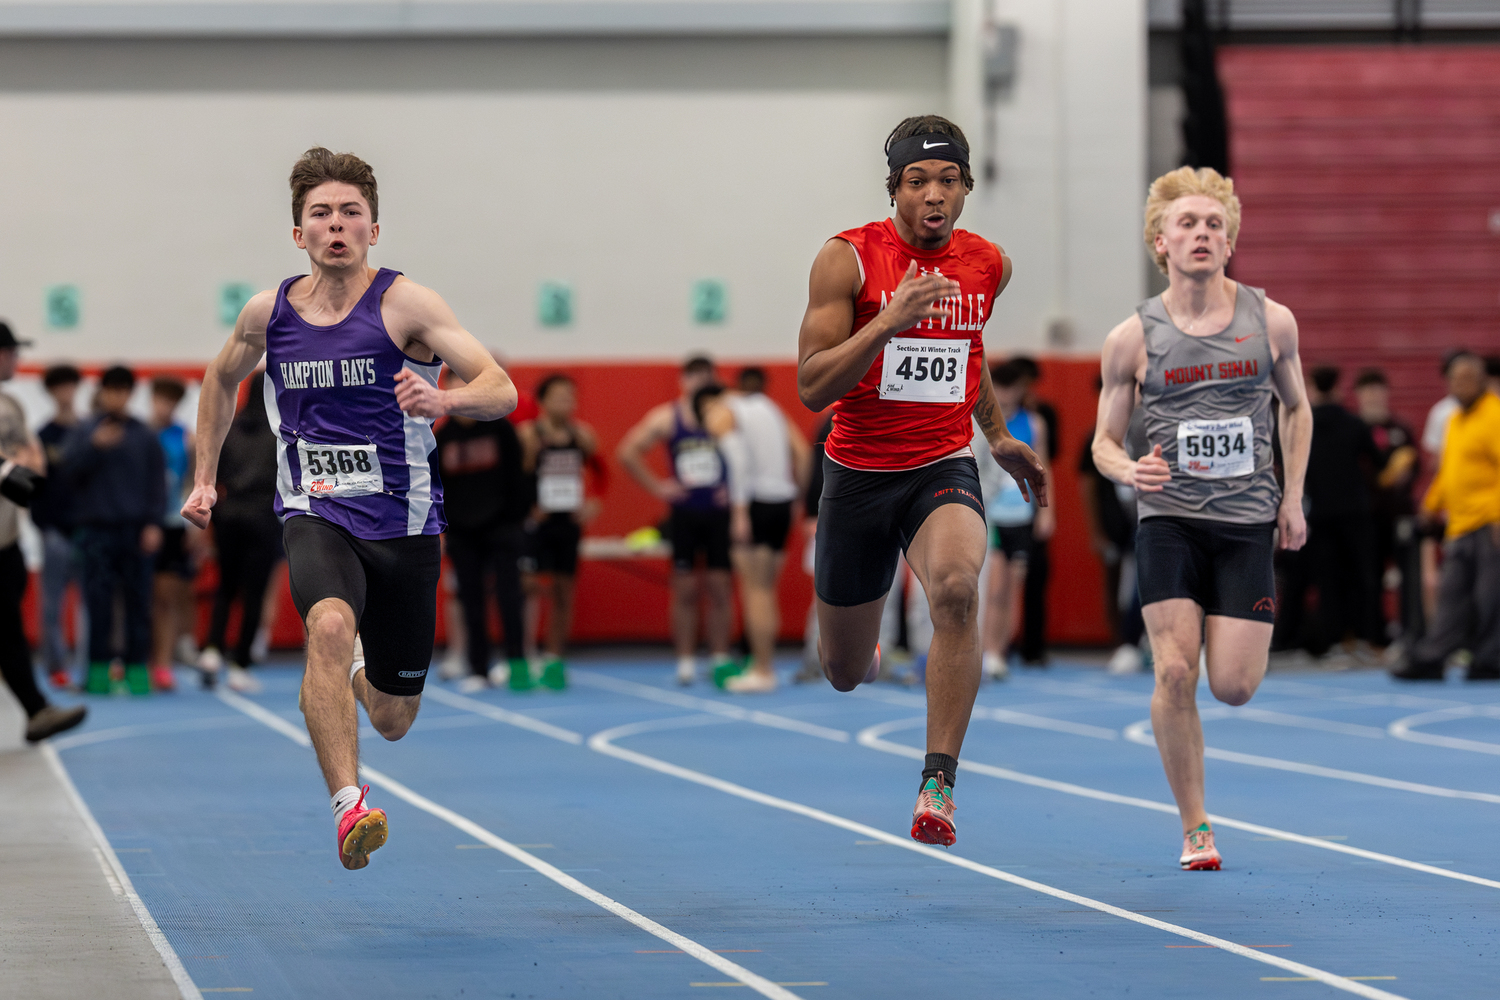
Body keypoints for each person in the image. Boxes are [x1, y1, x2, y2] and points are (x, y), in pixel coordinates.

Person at [182, 147, 515, 871]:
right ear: (297, 233)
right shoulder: (267, 314)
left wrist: (445, 398)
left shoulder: (408, 306)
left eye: (350, 213)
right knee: (326, 626)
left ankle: (363, 669)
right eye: (321, 214)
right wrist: (204, 476)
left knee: (393, 718)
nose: (337, 226)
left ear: (373, 227)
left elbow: (502, 388)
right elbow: (218, 378)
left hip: (405, 524)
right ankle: (348, 807)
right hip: (314, 511)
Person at [797, 114, 1043, 847]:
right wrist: (885, 324)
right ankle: (860, 643)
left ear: (967, 186)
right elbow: (812, 386)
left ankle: (938, 784)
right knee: (843, 670)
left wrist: (996, 435)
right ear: (895, 189)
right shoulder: (848, 260)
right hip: (859, 473)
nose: (933, 195)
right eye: (918, 181)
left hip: (940, 464)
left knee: (960, 591)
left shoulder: (988, 263)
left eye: (948, 180)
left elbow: (969, 350)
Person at [1093, 166, 1311, 871]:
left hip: (1246, 520)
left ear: (1230, 241)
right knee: (1177, 671)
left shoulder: (1270, 322)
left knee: (1235, 686)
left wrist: (1293, 497)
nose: (1201, 234)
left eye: (1214, 224)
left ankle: (1200, 806)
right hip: (1170, 519)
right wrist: (1131, 471)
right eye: (1187, 223)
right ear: (1161, 242)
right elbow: (1101, 443)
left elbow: (1297, 408)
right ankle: (1196, 827)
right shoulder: (1132, 338)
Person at [617, 356, 736, 686]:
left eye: (705, 378)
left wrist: (735, 488)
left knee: (720, 588)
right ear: (683, 382)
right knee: (685, 589)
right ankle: (685, 661)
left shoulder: (727, 415)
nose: (699, 385)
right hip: (684, 513)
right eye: (693, 378)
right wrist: (659, 487)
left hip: (718, 513)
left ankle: (720, 658)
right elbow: (628, 451)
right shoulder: (667, 417)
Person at [0, 323, 86, 741]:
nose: (16, 360)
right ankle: (36, 710)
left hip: (6, 539)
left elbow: (34, 469)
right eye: (12, 352)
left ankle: (37, 711)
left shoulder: (10, 404)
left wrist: (14, 463)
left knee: (9, 630)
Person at [1391, 352, 1500, 682]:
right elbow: (1449, 471)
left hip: (1489, 522)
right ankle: (1433, 657)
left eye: (1468, 379)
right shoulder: (1454, 420)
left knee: (1489, 596)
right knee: (1451, 594)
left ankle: (1489, 658)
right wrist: (1431, 503)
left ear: (1482, 381)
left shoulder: (1494, 416)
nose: (1461, 385)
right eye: (1455, 379)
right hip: (1459, 524)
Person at [62, 366, 167, 697]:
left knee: (138, 603)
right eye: (111, 389)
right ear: (102, 392)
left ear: (130, 393)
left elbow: (156, 484)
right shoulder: (85, 432)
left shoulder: (144, 436)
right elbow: (67, 475)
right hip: (96, 531)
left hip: (136, 531)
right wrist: (93, 447)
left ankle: (137, 672)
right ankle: (97, 675)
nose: (116, 396)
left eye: (123, 390)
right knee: (99, 605)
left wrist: (153, 522)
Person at [703, 368, 809, 694]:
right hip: (780, 500)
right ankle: (762, 663)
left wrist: (738, 512)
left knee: (755, 592)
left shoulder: (721, 412)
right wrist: (795, 497)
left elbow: (737, 462)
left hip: (754, 504)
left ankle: (763, 669)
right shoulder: (770, 408)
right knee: (766, 591)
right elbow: (803, 453)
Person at [436, 371, 532, 693]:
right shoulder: (442, 437)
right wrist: (448, 527)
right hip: (463, 533)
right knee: (471, 600)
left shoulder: (500, 428)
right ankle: (478, 667)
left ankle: (517, 663)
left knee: (510, 598)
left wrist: (514, 521)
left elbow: (518, 476)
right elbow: (439, 488)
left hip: (502, 528)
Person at [1285, 366, 1383, 657]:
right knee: (1361, 576)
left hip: (1319, 513)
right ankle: (1367, 635)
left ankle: (1330, 639)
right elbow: (1377, 462)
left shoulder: (1304, 424)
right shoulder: (1355, 424)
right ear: (1338, 388)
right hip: (1354, 512)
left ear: (1313, 388)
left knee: (1327, 578)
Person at [198, 371, 281, 693]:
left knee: (226, 587)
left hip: (228, 515)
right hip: (261, 516)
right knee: (254, 593)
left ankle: (212, 651)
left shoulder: (230, 430)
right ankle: (240, 665)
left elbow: (215, 473)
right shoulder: (278, 432)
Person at [517, 373, 602, 688]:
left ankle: (554, 658)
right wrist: (528, 510)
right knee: (528, 587)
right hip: (536, 524)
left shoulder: (582, 436)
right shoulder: (529, 435)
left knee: (564, 591)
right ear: (543, 401)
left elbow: (601, 473)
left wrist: (595, 503)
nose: (567, 403)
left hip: (567, 522)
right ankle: (524, 654)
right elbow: (516, 480)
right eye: (559, 396)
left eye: (571, 397)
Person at [975, 360, 1053, 681]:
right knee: (992, 589)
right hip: (992, 514)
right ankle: (988, 650)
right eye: (1000, 388)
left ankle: (1001, 650)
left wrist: (1047, 512)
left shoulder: (1033, 424)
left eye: (1012, 389)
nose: (1006, 395)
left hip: (1021, 516)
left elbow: (1043, 466)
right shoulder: (981, 423)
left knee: (1011, 590)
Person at [1078, 378, 1147, 674]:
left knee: (1144, 583)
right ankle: (1123, 643)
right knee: (1119, 586)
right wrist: (1097, 532)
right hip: (1116, 523)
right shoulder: (1097, 436)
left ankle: (1140, 642)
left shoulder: (1147, 426)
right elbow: (1089, 486)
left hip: (1148, 519)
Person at [1354, 368, 1419, 639]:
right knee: (1369, 578)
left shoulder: (1400, 429)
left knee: (1408, 576)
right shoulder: (1354, 429)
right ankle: (1374, 634)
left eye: (1377, 391)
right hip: (1366, 516)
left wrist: (1403, 474)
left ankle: (1410, 629)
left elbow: (1414, 466)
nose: (1372, 397)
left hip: (1398, 514)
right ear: (1358, 396)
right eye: (1367, 391)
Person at [34, 364, 85, 690]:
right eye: (59, 388)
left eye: (70, 386)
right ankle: (55, 664)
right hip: (54, 530)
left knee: (90, 605)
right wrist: (42, 524)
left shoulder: (88, 432)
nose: (65, 394)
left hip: (86, 530)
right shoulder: (43, 436)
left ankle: (89, 664)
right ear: (51, 392)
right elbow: (37, 485)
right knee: (51, 604)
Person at [147, 375, 199, 691]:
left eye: (171, 400)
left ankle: (164, 664)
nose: (164, 406)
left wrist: (192, 523)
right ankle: (131, 659)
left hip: (171, 524)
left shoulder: (186, 438)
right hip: (141, 523)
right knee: (136, 597)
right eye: (159, 398)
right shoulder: (139, 434)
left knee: (166, 596)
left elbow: (192, 481)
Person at [1010, 355, 1058, 666]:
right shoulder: (994, 416)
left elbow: (1046, 464)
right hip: (998, 508)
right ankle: (997, 647)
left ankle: (1030, 645)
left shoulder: (1039, 418)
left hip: (1025, 507)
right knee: (1000, 584)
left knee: (1032, 577)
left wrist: (1047, 512)